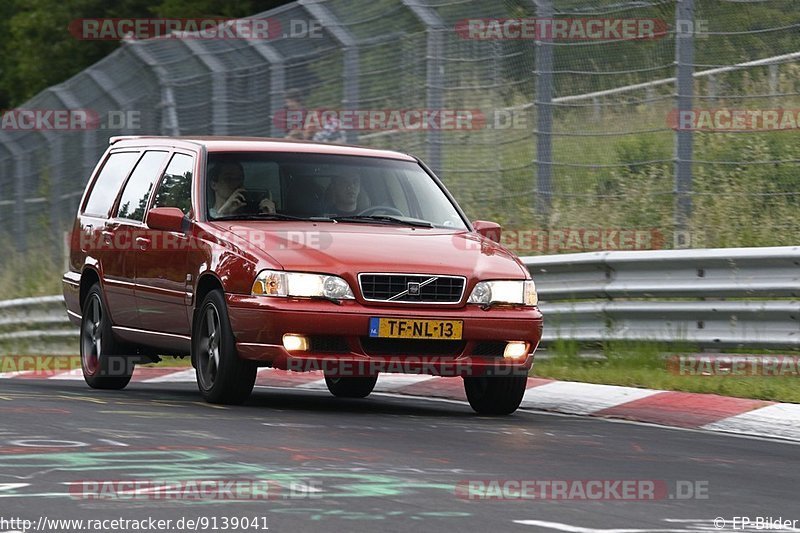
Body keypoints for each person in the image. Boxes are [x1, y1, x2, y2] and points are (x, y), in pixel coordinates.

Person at [208, 161, 275, 218]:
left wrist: (271, 216)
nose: (236, 183)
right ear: (213, 185)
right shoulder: (207, 216)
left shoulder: (252, 216)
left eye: (239, 179)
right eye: (229, 179)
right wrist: (223, 214)